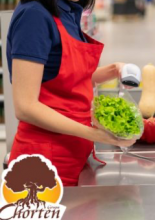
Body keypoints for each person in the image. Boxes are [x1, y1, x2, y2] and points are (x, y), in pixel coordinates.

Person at [7, 0, 136, 186]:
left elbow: (65, 79)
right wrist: (95, 134)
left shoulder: (67, 10)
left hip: (74, 157)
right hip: (43, 164)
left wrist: (114, 70)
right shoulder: (33, 16)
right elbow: (25, 107)